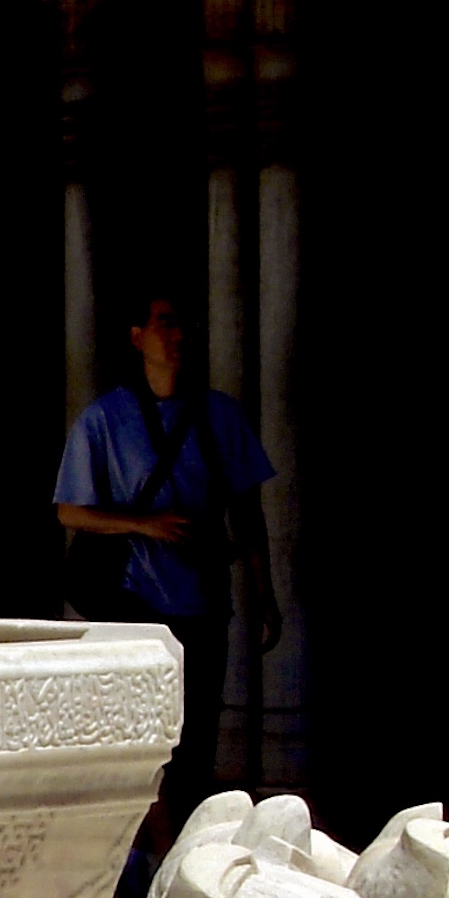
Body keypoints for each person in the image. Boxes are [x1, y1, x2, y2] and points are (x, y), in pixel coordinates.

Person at [54, 291, 280, 839]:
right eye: (165, 324)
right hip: (132, 600)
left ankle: (188, 851)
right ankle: (143, 853)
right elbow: (69, 511)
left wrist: (264, 592)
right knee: (141, 734)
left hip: (202, 599)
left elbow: (247, 513)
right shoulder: (106, 419)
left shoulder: (219, 415)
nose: (178, 336)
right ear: (137, 337)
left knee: (197, 736)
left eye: (184, 325)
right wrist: (143, 525)